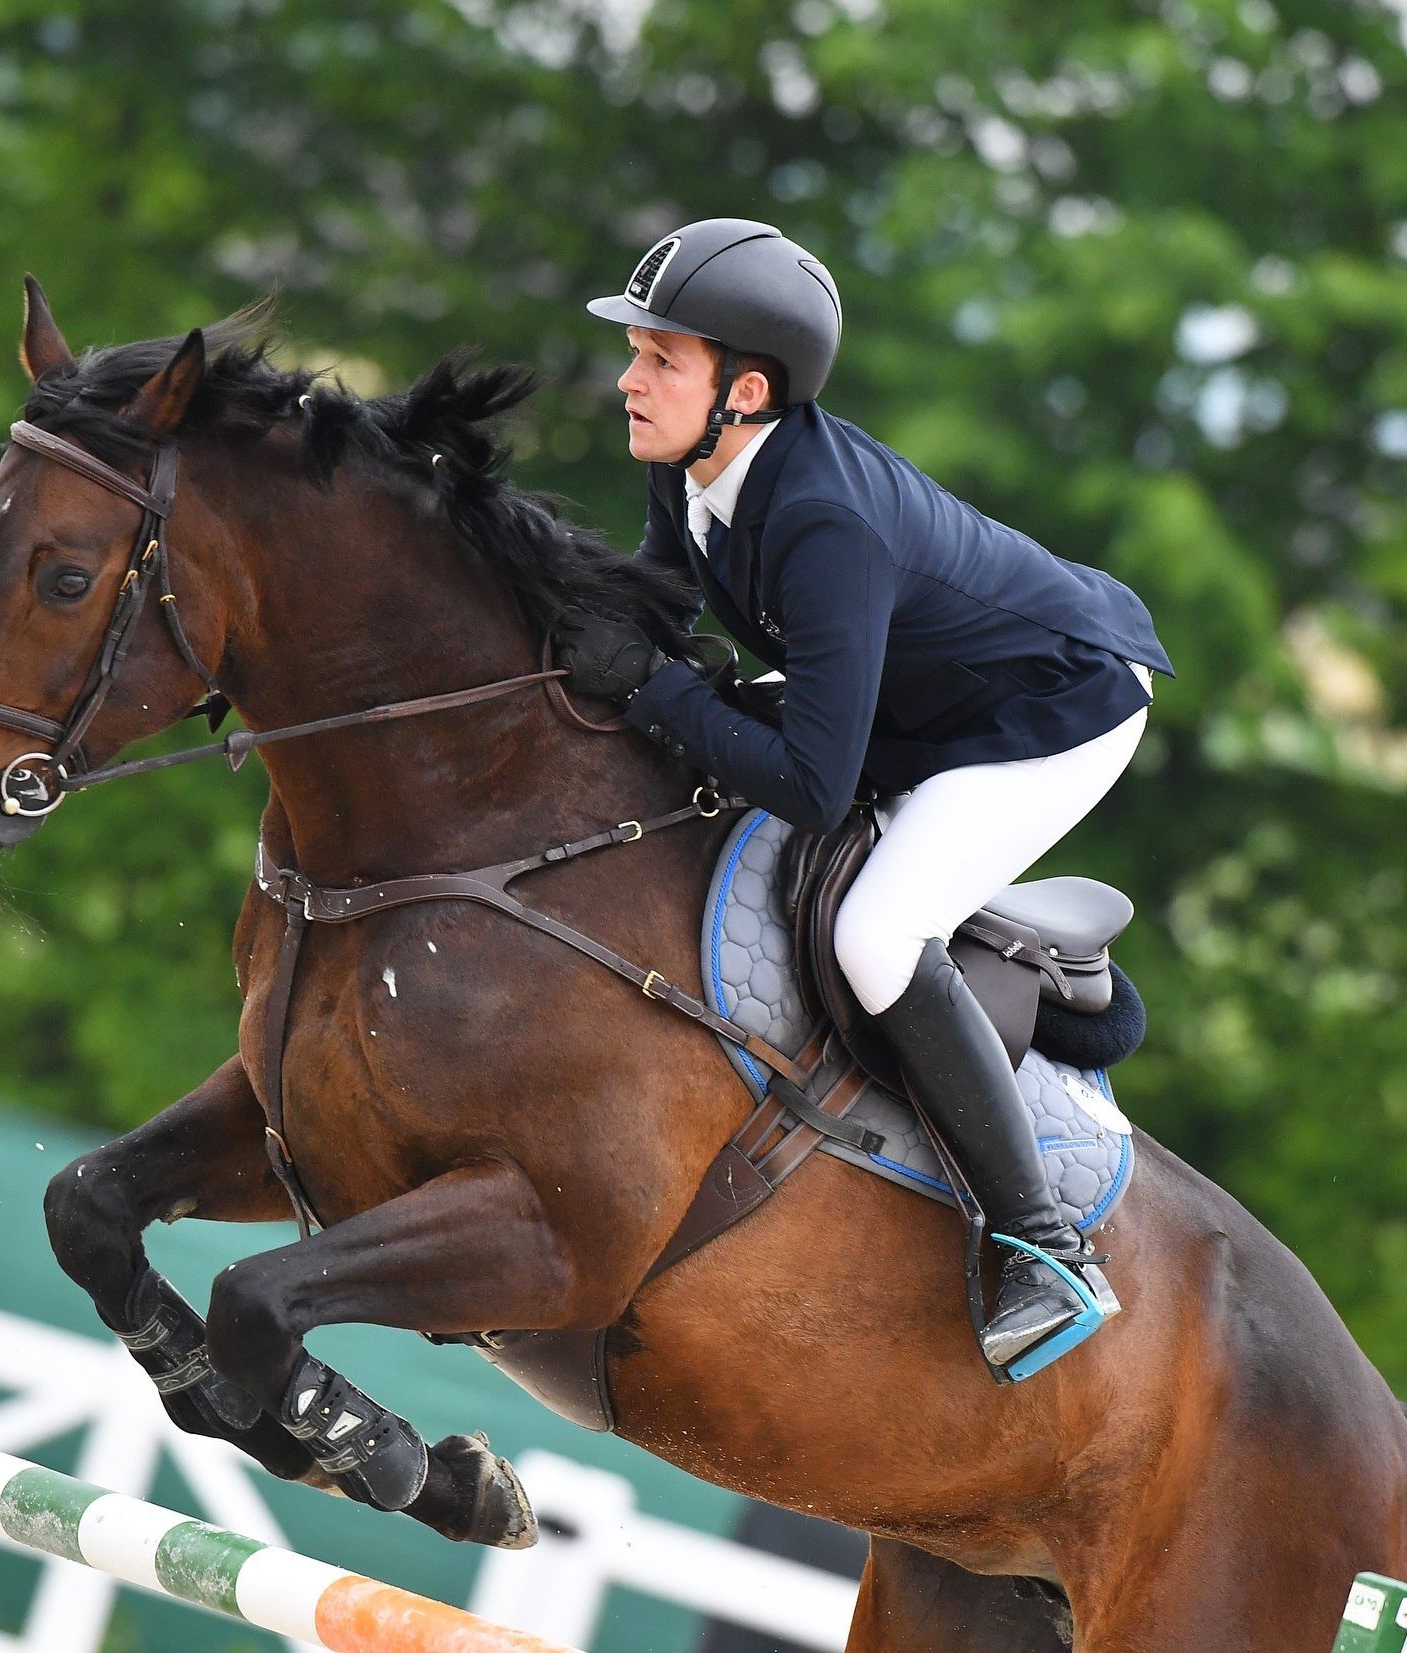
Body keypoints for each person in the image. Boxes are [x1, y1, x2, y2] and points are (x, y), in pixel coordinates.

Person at [556, 218, 1173, 1379]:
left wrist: (647, 685)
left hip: (1052, 710)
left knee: (876, 932)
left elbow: (809, 777)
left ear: (742, 389)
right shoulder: (689, 463)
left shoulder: (820, 523)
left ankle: (1040, 1247)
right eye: (635, 352)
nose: (628, 380)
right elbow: (654, 612)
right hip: (925, 684)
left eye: (658, 360)